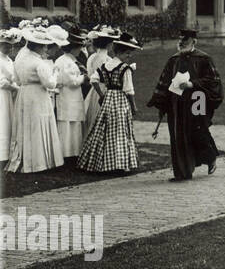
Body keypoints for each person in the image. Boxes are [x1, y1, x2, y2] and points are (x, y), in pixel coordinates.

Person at [147, 27, 224, 179]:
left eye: (185, 40)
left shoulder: (204, 59)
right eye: (180, 40)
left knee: (199, 131)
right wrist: (162, 102)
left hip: (198, 99)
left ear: (194, 41)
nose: (182, 43)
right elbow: (164, 82)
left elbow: (213, 81)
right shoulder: (173, 60)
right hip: (177, 102)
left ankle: (210, 158)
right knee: (178, 135)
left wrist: (191, 84)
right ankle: (182, 172)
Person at [6, 22, 65, 174]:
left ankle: (27, 159)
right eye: (44, 46)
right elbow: (50, 84)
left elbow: (17, 80)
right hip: (38, 96)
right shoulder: (39, 63)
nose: (46, 48)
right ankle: (39, 162)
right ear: (38, 46)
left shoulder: (19, 59)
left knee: (26, 125)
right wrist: (56, 73)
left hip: (24, 94)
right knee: (38, 125)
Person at [79, 30, 140, 175]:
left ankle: (102, 162)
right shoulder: (125, 69)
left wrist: (101, 95)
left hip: (108, 98)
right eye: (127, 53)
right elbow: (129, 90)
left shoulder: (106, 66)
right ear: (120, 52)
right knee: (120, 131)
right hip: (120, 100)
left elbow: (94, 79)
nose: (129, 56)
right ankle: (119, 164)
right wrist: (134, 107)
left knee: (105, 130)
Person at [53, 26, 88, 161]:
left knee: (74, 124)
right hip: (67, 96)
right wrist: (84, 78)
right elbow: (71, 81)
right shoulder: (65, 62)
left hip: (72, 97)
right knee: (67, 125)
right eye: (79, 47)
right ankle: (66, 154)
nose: (80, 49)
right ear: (72, 47)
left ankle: (74, 152)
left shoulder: (71, 60)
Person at [0, 28, 18, 168]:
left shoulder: (9, 60)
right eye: (6, 44)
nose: (10, 47)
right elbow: (2, 82)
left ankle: (8, 152)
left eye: (11, 45)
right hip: (2, 94)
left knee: (8, 120)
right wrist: (16, 88)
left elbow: (12, 77)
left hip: (9, 95)